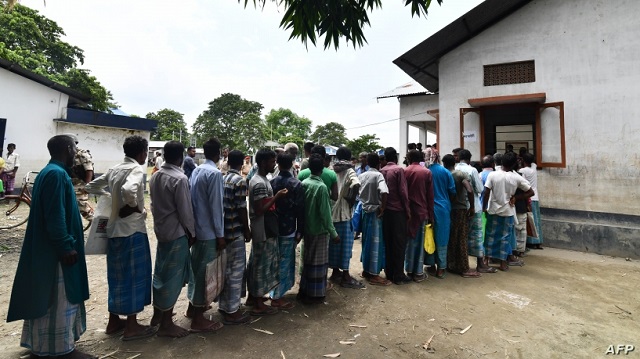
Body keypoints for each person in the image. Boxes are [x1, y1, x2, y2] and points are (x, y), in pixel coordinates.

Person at [7, 135, 92, 358]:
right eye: (75, 147)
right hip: (56, 254)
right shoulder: (55, 174)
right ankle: (60, 350)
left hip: (51, 249)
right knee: (58, 299)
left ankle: (47, 345)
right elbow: (55, 216)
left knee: (51, 299)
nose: (76, 153)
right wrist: (65, 246)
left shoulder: (51, 172)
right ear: (66, 148)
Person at [85, 135, 155, 341]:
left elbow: (91, 187)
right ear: (143, 153)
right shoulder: (135, 170)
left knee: (117, 275)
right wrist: (131, 206)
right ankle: (132, 326)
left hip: (114, 231)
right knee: (133, 276)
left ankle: (113, 320)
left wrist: (110, 200)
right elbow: (129, 190)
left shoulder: (115, 169)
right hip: (131, 230)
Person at [148, 141, 195, 338]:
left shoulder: (156, 175)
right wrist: (192, 233)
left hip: (162, 230)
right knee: (173, 277)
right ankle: (166, 323)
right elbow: (185, 211)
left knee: (161, 272)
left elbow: (152, 204)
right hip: (176, 232)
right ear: (180, 156)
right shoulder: (180, 178)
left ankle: (158, 314)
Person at [186, 138, 226, 332]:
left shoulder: (196, 170)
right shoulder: (215, 174)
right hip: (209, 231)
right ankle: (198, 318)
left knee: (197, 270)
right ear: (218, 153)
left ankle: (192, 307)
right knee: (204, 273)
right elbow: (216, 207)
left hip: (197, 228)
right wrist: (220, 235)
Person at [247, 148, 288, 315]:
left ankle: (254, 297)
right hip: (262, 229)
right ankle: (257, 303)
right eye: (272, 162)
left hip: (265, 228)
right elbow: (259, 210)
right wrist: (277, 196)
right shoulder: (259, 183)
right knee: (260, 266)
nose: (275, 164)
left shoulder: (262, 179)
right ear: (264, 163)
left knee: (258, 263)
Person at [298, 154, 340, 304]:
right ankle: (315, 294)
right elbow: (325, 213)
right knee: (319, 262)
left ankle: (304, 290)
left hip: (307, 227)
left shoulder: (304, 183)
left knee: (308, 260)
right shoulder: (321, 187)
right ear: (322, 168)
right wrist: (333, 233)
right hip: (319, 229)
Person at [482, 152, 534, 271]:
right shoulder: (516, 177)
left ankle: (486, 258)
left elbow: (486, 192)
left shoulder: (492, 175)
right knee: (504, 237)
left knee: (490, 235)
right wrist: (516, 198)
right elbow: (531, 192)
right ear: (514, 164)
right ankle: (503, 262)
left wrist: (484, 207)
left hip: (493, 209)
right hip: (507, 210)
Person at [219, 149, 253, 325]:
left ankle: (225, 306)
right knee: (236, 272)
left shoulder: (222, 178)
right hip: (235, 231)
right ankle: (232, 311)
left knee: (226, 271)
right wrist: (247, 230)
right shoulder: (239, 181)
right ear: (242, 163)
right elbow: (241, 208)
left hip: (223, 231)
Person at [269, 153, 305, 309]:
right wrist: (300, 231)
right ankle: (277, 297)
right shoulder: (296, 184)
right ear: (291, 164)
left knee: (274, 261)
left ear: (277, 163)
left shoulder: (271, 183)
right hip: (289, 228)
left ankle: (273, 292)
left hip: (273, 228)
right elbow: (300, 209)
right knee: (284, 262)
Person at [329, 147, 364, 289]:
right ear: (349, 157)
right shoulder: (350, 170)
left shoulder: (333, 169)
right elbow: (356, 183)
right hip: (344, 213)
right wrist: (350, 199)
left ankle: (335, 272)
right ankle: (345, 276)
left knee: (334, 246)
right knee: (345, 246)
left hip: (332, 212)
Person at [455, 149, 495, 274]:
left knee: (461, 236)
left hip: (459, 207)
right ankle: (480, 264)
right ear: (469, 159)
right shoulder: (472, 170)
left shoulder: (454, 169)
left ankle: (461, 263)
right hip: (474, 207)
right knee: (476, 236)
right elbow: (479, 188)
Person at [379, 147, 412, 285]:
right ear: (396, 157)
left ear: (386, 158)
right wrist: (408, 210)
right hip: (397, 211)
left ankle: (389, 272)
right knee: (399, 243)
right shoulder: (398, 170)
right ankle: (398, 275)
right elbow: (403, 192)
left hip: (384, 211)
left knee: (387, 241)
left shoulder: (381, 171)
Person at [358, 153, 390, 286]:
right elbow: (384, 191)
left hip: (365, 211)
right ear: (378, 163)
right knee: (376, 244)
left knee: (366, 241)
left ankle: (366, 270)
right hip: (375, 213)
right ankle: (374, 275)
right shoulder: (378, 175)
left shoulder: (361, 175)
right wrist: (383, 207)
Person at [447, 154, 481, 278]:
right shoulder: (459, 174)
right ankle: (463, 268)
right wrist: (472, 207)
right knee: (461, 238)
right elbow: (470, 190)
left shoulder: (445, 174)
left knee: (451, 238)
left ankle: (450, 264)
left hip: (447, 210)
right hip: (460, 209)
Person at [403, 150, 434, 282]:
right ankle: (418, 272)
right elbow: (430, 196)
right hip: (422, 211)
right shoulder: (426, 172)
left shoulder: (404, 171)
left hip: (407, 212)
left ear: (409, 158)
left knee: (409, 242)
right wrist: (431, 214)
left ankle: (408, 270)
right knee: (420, 242)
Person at [425, 151, 456, 279]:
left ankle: (431, 265)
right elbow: (452, 191)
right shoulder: (445, 172)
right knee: (442, 238)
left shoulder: (425, 172)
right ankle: (441, 268)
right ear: (438, 158)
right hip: (443, 209)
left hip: (427, 208)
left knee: (429, 236)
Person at [64, 134, 96, 221]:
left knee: (83, 207)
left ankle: (99, 226)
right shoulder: (66, 155)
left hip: (80, 185)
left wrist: (87, 186)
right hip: (69, 183)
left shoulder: (82, 154)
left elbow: (89, 170)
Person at [518, 153, 543, 249]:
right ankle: (538, 241)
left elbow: (523, 184)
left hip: (529, 197)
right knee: (536, 219)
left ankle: (531, 241)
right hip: (535, 196)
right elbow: (534, 162)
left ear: (523, 161)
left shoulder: (522, 171)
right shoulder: (534, 167)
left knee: (529, 219)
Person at [352, 152, 369, 240]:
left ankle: (362, 233)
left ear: (366, 158)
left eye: (362, 157)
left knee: (362, 215)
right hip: (357, 196)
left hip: (366, 197)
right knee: (356, 215)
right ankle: (356, 232)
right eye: (360, 157)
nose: (361, 159)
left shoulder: (369, 169)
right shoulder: (357, 169)